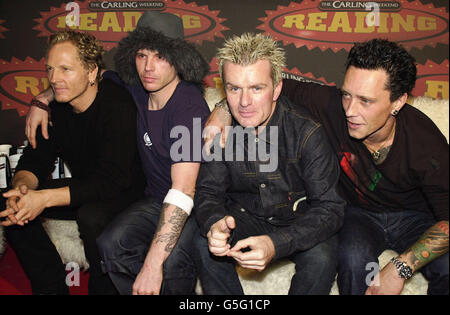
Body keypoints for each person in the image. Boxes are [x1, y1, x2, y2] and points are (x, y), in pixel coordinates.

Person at [206, 38, 449, 295]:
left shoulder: (427, 144)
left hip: (414, 219)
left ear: (398, 102)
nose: (350, 110)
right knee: (352, 259)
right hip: (358, 215)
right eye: (347, 95)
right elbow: (261, 85)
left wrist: (401, 266)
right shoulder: (329, 105)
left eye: (366, 101)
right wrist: (223, 110)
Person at [23, 11, 210, 295]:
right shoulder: (135, 87)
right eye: (142, 55)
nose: (148, 67)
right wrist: (42, 100)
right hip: (153, 199)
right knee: (110, 243)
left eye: (160, 56)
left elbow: (184, 191)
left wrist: (152, 265)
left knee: (170, 266)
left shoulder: (189, 108)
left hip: (192, 206)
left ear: (179, 59)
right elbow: (76, 81)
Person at [193, 33, 345, 295]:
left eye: (256, 88)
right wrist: (214, 223)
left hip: (300, 221)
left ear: (276, 88)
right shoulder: (222, 131)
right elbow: (208, 192)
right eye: (234, 88)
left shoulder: (307, 132)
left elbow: (330, 208)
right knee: (200, 241)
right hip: (245, 217)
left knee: (322, 258)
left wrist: (277, 243)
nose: (244, 102)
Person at [0, 30, 145, 295]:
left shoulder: (117, 105)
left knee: (91, 216)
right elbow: (37, 158)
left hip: (126, 192)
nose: (54, 79)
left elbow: (112, 180)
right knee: (7, 201)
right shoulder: (57, 106)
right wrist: (22, 189)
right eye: (50, 69)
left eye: (65, 69)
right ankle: (51, 287)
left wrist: (43, 199)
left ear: (92, 73)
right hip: (86, 187)